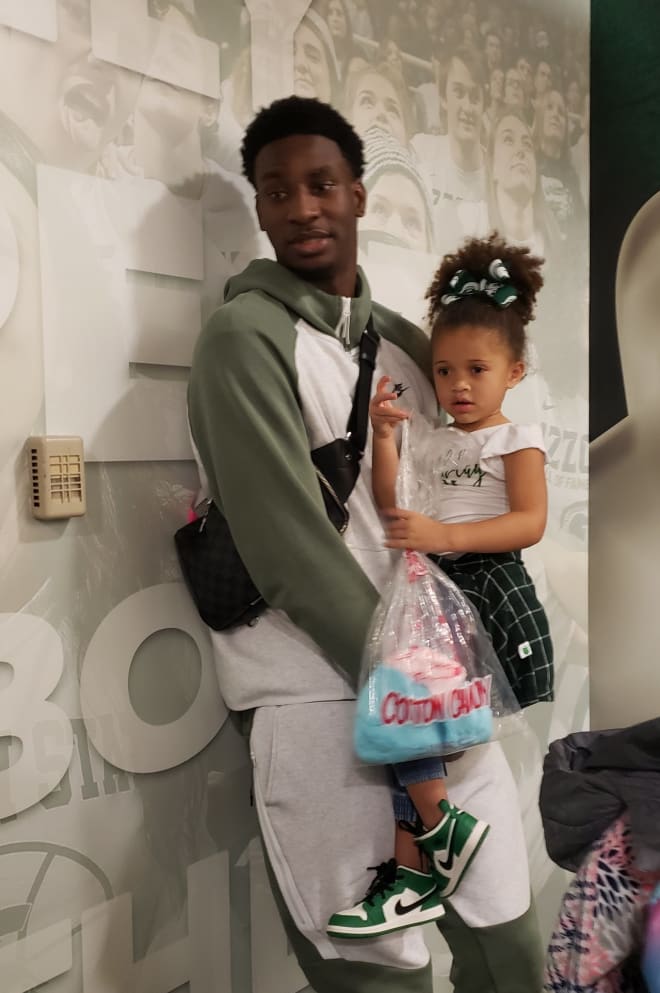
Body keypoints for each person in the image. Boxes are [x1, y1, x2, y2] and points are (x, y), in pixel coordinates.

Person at [188, 94, 544, 993]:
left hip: (438, 694)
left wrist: (459, 662)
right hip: (321, 700)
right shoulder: (244, 338)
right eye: (276, 191)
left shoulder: (411, 345)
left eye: (321, 184)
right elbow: (286, 544)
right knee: (382, 975)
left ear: (357, 194)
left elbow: (465, 486)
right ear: (261, 208)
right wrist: (411, 687)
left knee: (511, 944)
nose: (302, 208)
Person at [327, 234, 553, 940]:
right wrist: (388, 437)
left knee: (407, 721)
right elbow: (395, 501)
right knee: (400, 719)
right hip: (427, 591)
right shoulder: (432, 433)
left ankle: (432, 836)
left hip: (480, 590)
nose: (457, 383)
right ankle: (419, 864)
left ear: (513, 371)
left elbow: (530, 521)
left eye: (477, 369)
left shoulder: (514, 439)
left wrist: (447, 536)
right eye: (445, 368)